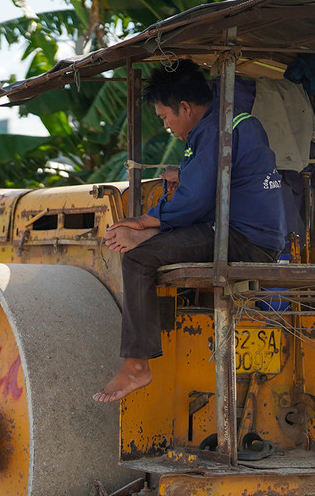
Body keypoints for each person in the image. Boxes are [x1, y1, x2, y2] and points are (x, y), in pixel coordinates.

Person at [94, 62, 287, 404]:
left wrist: (142, 222)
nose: (166, 125)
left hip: (243, 238)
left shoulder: (214, 131)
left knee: (138, 259)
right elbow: (205, 192)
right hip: (244, 231)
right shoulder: (231, 123)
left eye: (165, 116)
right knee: (154, 240)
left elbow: (195, 200)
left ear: (185, 107)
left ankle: (137, 365)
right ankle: (152, 238)